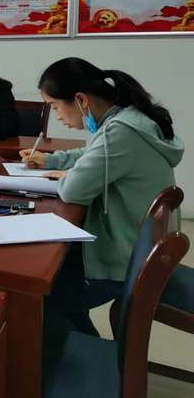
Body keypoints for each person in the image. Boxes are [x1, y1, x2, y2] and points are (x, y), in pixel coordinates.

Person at [21, 57, 184, 337]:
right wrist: (51, 160)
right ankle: (83, 346)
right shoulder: (127, 119)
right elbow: (91, 154)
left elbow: (73, 189)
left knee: (38, 293)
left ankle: (76, 355)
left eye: (55, 106)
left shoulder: (120, 132)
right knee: (54, 273)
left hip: (128, 261)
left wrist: (67, 174)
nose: (56, 115)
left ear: (81, 100)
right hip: (138, 244)